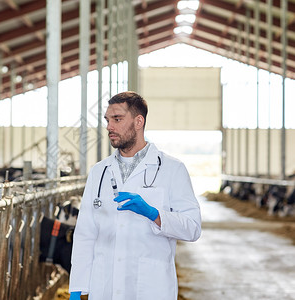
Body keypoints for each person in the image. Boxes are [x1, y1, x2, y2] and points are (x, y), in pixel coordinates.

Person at [68, 91, 202, 300]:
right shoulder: (99, 172)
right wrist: (76, 288)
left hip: (150, 288)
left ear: (138, 121)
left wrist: (154, 214)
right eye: (107, 120)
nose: (109, 127)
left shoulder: (172, 169)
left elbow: (192, 228)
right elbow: (85, 234)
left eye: (117, 119)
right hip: (105, 288)